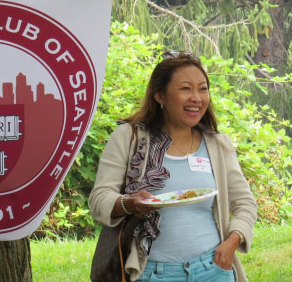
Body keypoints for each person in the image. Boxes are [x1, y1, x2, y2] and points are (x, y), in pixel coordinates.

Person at [89, 51, 257, 282]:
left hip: (212, 269)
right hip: (151, 273)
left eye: (202, 88)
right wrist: (130, 204)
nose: (197, 98)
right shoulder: (130, 137)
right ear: (160, 95)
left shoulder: (217, 144)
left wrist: (232, 242)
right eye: (185, 89)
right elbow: (99, 199)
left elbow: (245, 202)